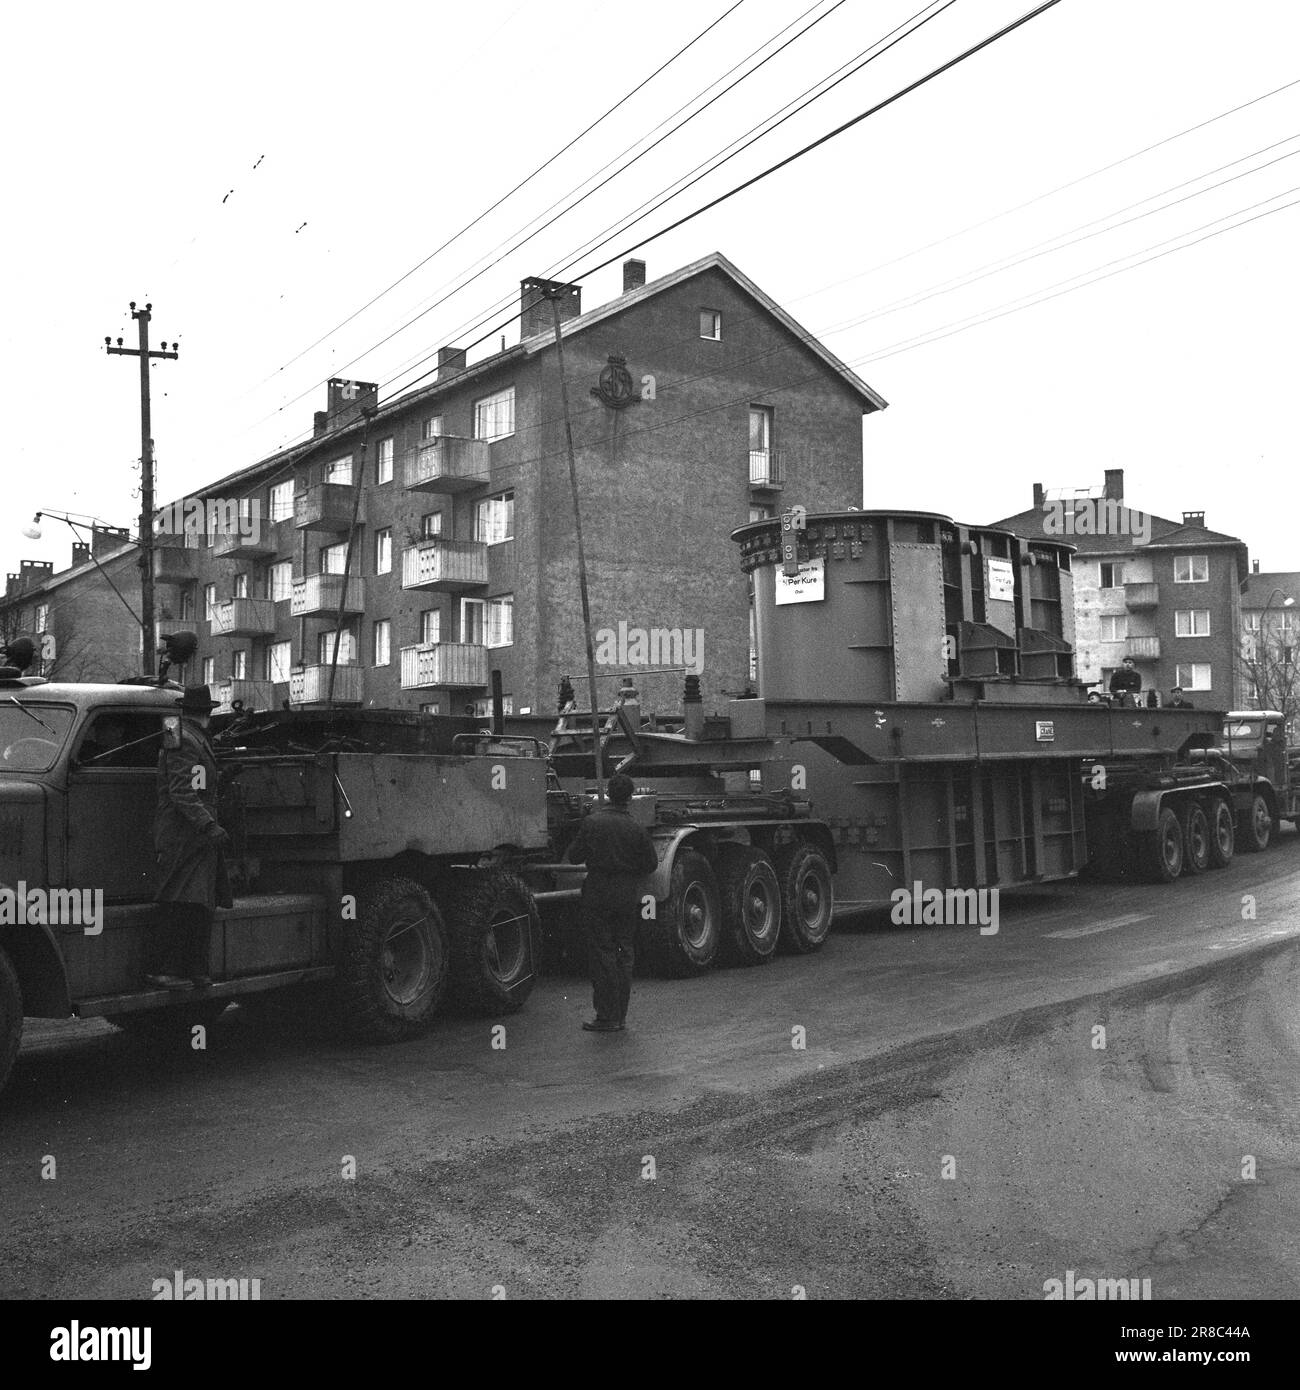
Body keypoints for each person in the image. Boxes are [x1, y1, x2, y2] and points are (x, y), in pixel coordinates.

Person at [145, 685, 231, 992]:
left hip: (193, 837)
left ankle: (195, 970)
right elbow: (181, 790)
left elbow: (196, 781)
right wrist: (208, 825)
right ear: (207, 713)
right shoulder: (181, 736)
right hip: (184, 835)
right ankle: (163, 969)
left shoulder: (189, 735)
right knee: (176, 902)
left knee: (197, 905)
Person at [566, 772, 658, 1033]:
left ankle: (605, 1016)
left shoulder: (592, 823)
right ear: (630, 797)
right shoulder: (637, 828)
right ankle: (620, 1016)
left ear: (607, 793)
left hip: (597, 893)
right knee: (624, 952)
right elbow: (650, 864)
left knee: (602, 953)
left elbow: (574, 857)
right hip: (625, 895)